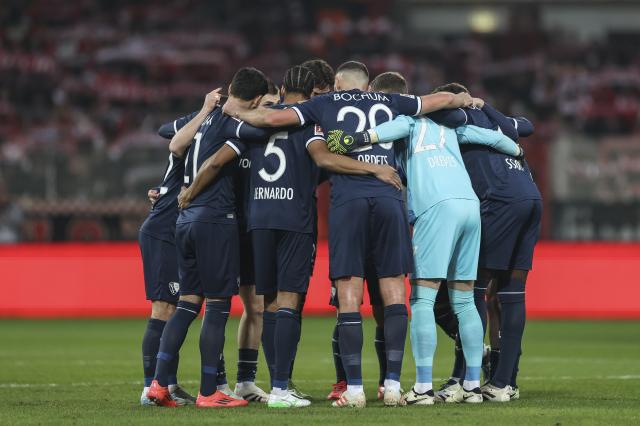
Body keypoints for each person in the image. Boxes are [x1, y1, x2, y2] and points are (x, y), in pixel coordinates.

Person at [223, 60, 474, 408]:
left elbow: (273, 119)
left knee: (348, 293)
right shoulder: (390, 102)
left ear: (339, 82)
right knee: (393, 292)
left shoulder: (323, 104)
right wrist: (467, 100)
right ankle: (392, 386)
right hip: (389, 197)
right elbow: (438, 101)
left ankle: (353, 388)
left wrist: (234, 110)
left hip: (348, 201)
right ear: (368, 85)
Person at [180, 65, 402, 408]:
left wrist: (187, 192)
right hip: (294, 218)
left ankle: (262, 383)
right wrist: (373, 166)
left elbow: (212, 159)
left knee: (264, 304)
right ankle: (281, 388)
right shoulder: (306, 123)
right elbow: (323, 158)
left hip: (258, 220)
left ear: (284, 87)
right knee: (289, 302)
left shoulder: (256, 120)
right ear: (314, 92)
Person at [330, 109, 524, 405]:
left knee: (422, 299)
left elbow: (386, 131)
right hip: (470, 207)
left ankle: (422, 388)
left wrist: (358, 138)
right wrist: (518, 149)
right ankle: (472, 386)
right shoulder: (453, 130)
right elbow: (498, 140)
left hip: (437, 208)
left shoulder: (409, 122)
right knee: (464, 299)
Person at [147, 67, 269, 408]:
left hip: (185, 223)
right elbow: (217, 163)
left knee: (187, 305)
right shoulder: (236, 125)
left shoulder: (207, 118)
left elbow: (173, 142)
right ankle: (208, 391)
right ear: (257, 99)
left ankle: (158, 384)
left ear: (231, 88)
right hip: (214, 219)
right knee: (217, 307)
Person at [426, 83, 541, 402]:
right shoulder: (498, 122)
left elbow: (430, 117)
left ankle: (465, 380)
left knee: (470, 289)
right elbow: (526, 126)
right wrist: (486, 107)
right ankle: (505, 382)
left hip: (500, 201)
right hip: (530, 197)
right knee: (511, 292)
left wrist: (467, 105)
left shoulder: (457, 117)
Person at [137, 113, 200, 407]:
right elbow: (169, 136)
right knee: (163, 308)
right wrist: (205, 109)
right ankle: (151, 387)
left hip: (180, 231)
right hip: (163, 231)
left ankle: (167, 384)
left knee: (176, 309)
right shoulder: (195, 130)